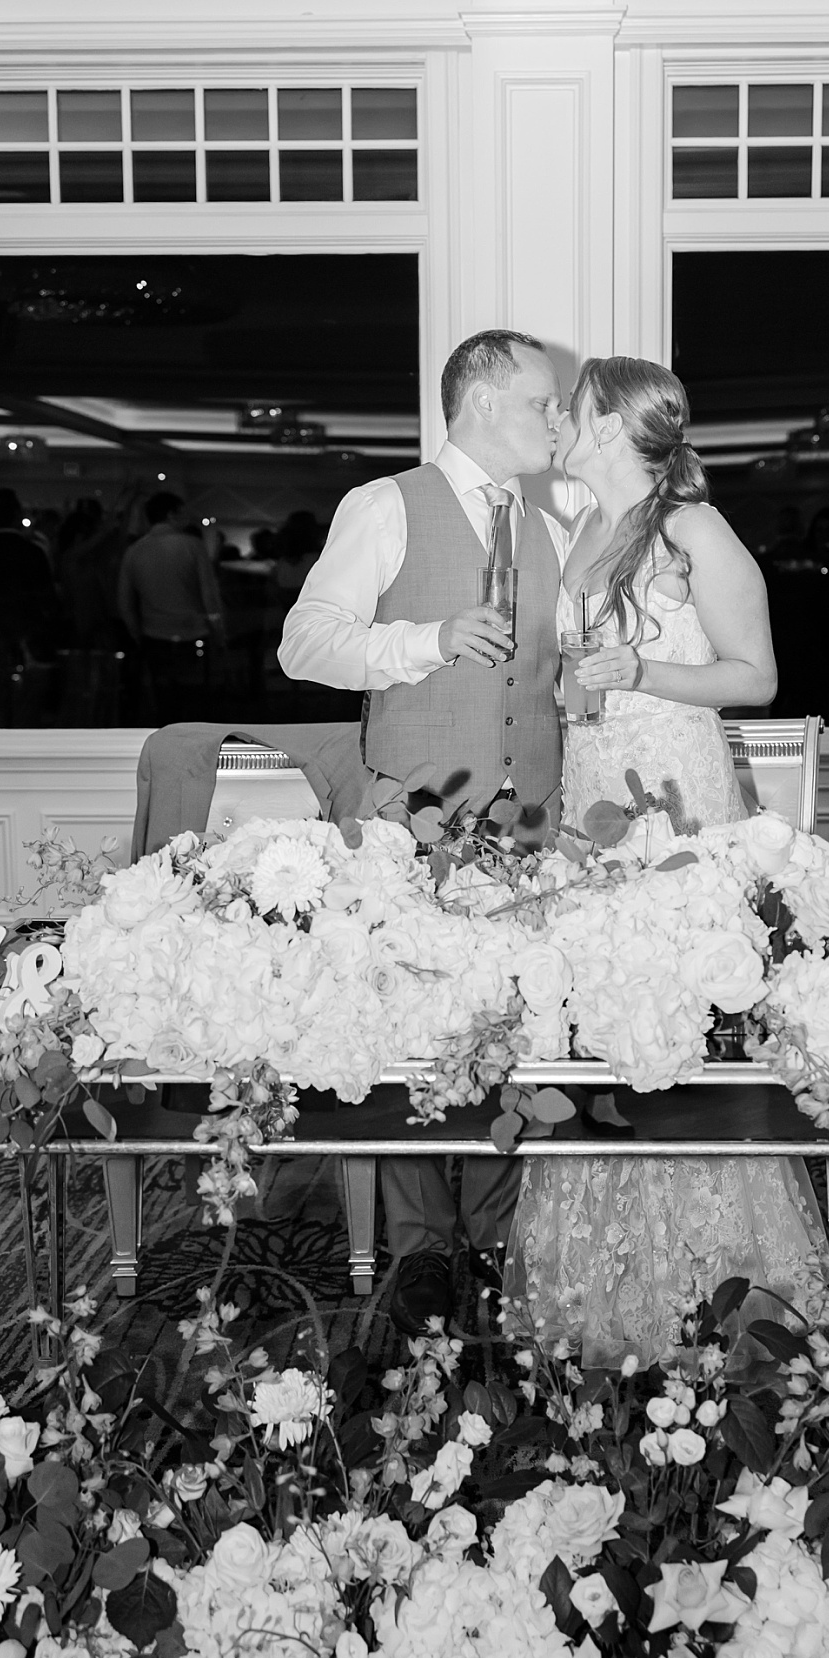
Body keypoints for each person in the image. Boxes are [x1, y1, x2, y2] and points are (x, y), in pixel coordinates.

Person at [501, 356, 829, 1369]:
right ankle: (602, 1291)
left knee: (682, 1029)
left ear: (612, 425)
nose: (558, 420)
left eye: (574, 408)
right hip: (592, 799)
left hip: (675, 798)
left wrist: (642, 668)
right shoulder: (581, 528)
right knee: (595, 1026)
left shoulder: (692, 528)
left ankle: (717, 1289)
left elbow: (758, 676)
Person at [281, 328, 567, 1335]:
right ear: (483, 401)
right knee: (406, 1036)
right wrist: (427, 641)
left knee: (509, 1035)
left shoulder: (550, 520)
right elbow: (304, 643)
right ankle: (415, 1255)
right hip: (412, 818)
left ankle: (489, 1243)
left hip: (529, 825)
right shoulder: (384, 506)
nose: (557, 420)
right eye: (543, 402)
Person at [117, 490, 226, 722]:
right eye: (182, 512)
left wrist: (137, 633)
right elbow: (209, 596)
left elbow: (125, 603)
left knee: (162, 701)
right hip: (193, 632)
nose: (187, 517)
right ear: (171, 514)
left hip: (153, 635)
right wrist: (219, 632)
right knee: (195, 701)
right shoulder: (192, 545)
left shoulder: (134, 551)